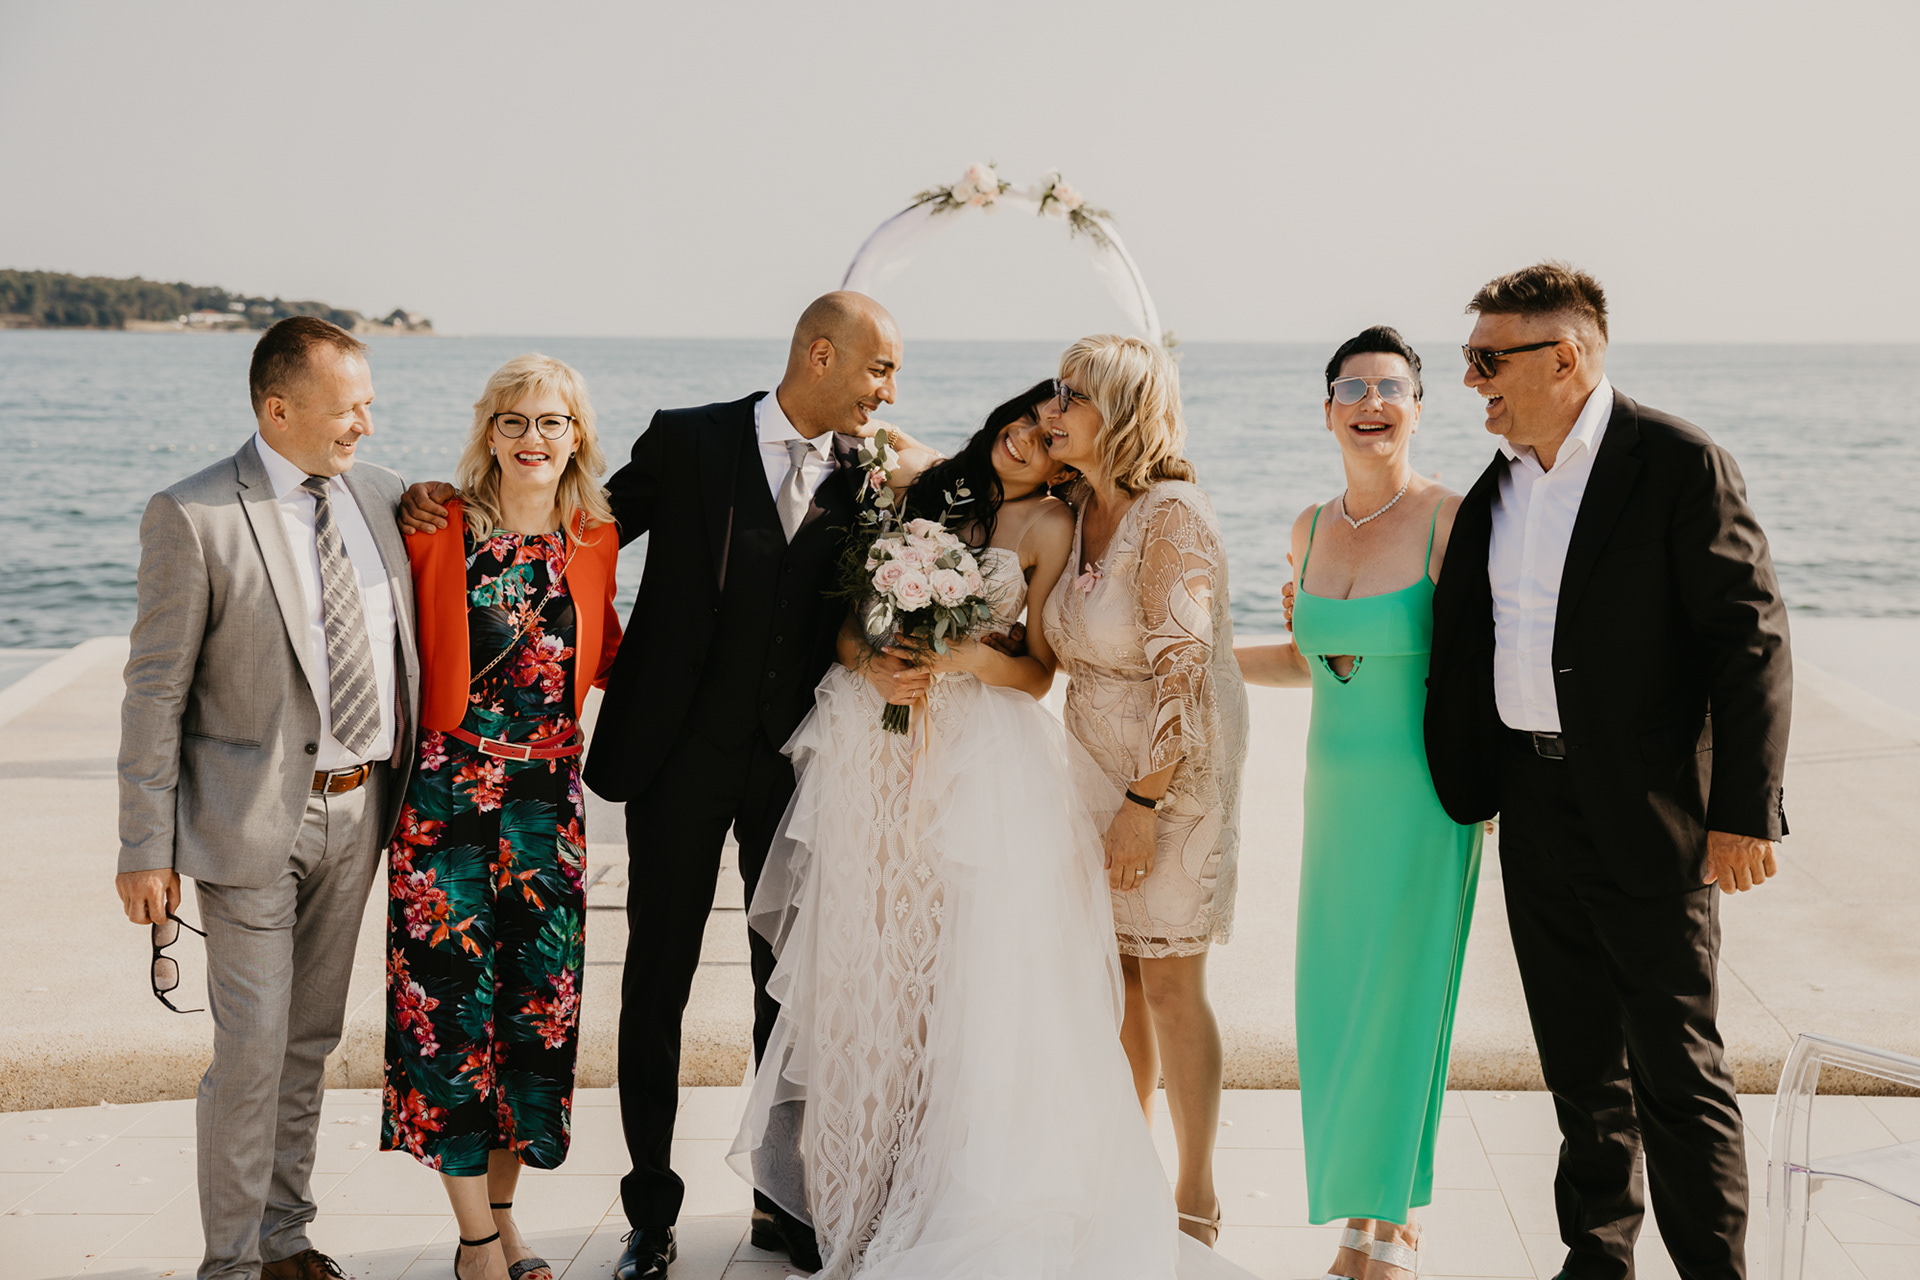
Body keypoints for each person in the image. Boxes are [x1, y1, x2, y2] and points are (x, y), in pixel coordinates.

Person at [399, 292, 921, 1280]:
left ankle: (781, 1198)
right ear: (821, 354)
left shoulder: (869, 471)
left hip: (792, 763)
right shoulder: (689, 439)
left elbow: (873, 595)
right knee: (658, 982)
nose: (889, 390)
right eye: (880, 367)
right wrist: (439, 499)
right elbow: (571, 520)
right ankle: (650, 1210)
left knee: (785, 983)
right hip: (674, 756)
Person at [730, 382, 1255, 1280]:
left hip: (983, 761)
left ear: (1066, 464)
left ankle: (979, 1176)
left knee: (974, 964)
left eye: (1047, 437)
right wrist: (877, 662)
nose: (1028, 439)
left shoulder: (1056, 523)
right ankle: (859, 1175)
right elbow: (851, 626)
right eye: (1020, 423)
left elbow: (1039, 672)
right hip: (878, 752)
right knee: (877, 959)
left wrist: (963, 655)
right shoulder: (932, 493)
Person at [1426, 262, 1791, 1280]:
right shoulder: (1496, 488)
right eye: (1468, 358)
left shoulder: (1677, 462)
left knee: (1678, 1069)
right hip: (1532, 804)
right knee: (1578, 1063)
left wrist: (1744, 810)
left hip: (1651, 809)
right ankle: (1596, 1261)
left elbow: (1751, 641)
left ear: (1566, 356)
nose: (1472, 380)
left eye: (1488, 359)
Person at [116, 317, 419, 1280]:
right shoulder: (194, 513)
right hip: (246, 822)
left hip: (362, 810)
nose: (366, 424)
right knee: (250, 1050)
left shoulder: (385, 496)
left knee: (310, 1041)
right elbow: (154, 690)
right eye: (348, 408)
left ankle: (286, 1238)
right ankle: (232, 1265)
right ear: (277, 409)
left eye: (369, 404)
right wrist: (143, 845)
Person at [1236, 327, 1483, 1280]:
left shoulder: (1451, 520)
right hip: (1333, 800)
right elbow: (1312, 662)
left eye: (1391, 386)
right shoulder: (1307, 527)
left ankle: (1394, 1224)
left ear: (1418, 406)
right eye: (1352, 387)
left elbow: (1488, 664)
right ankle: (1359, 1217)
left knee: (1405, 998)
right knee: (1339, 997)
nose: (1371, 402)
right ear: (1328, 409)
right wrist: (1196, 656)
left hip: (1421, 798)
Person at [381, 355, 622, 1280]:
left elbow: (612, 654)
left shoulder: (595, 537)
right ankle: (478, 1243)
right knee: (448, 1014)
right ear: (489, 432)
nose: (532, 438)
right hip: (446, 802)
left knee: (535, 1015)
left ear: (576, 437)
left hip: (547, 807)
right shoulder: (436, 525)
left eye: (551, 422)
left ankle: (506, 1222)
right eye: (513, 421)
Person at [1039, 334, 1250, 1246]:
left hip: (1173, 775)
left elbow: (1184, 677)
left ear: (1122, 412)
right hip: (1089, 762)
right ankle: (1131, 1177)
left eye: (1071, 396)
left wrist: (1141, 807)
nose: (1050, 410)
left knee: (1169, 979)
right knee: (1116, 980)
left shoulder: (1173, 516)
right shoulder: (1075, 505)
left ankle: (1196, 1199)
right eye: (1054, 392)